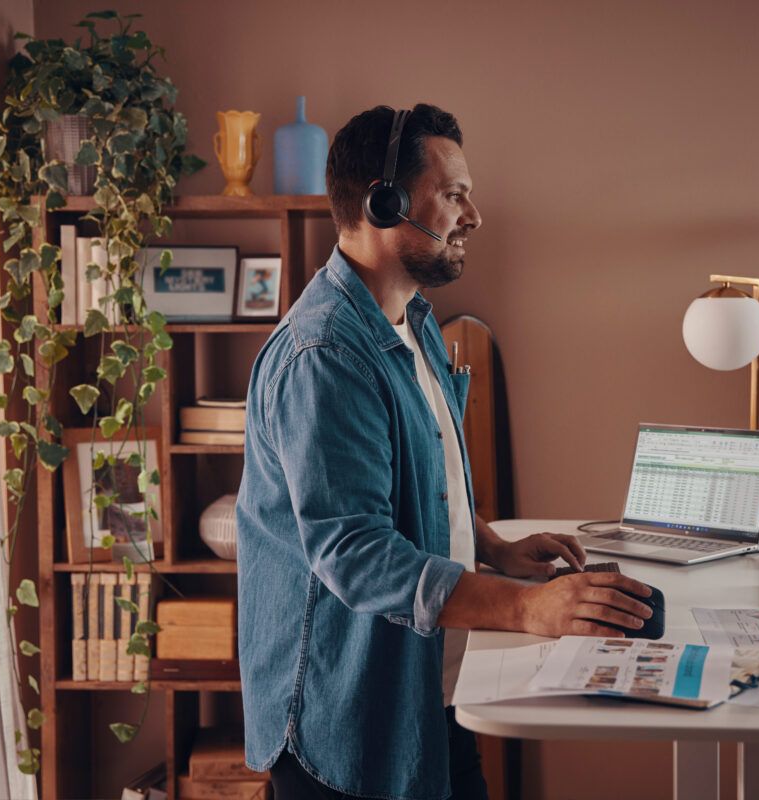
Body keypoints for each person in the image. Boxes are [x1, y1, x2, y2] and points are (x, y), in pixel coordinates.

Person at [236, 104, 654, 800]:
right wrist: (528, 608)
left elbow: (419, 482)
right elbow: (355, 552)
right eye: (454, 194)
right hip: (352, 720)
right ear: (385, 203)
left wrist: (492, 547)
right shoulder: (325, 355)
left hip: (429, 687)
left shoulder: (413, 320)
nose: (474, 215)